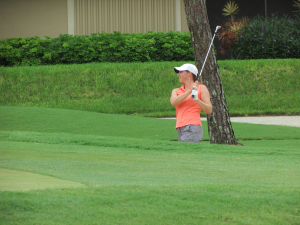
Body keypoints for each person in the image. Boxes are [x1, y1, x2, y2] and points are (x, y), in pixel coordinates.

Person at [170, 63, 212, 143]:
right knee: (185, 153)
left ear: (189, 73)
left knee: (183, 151)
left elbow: (209, 110)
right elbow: (174, 102)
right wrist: (190, 91)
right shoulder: (176, 91)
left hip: (193, 126)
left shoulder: (201, 88)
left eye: (180, 72)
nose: (178, 75)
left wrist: (196, 99)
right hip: (180, 127)